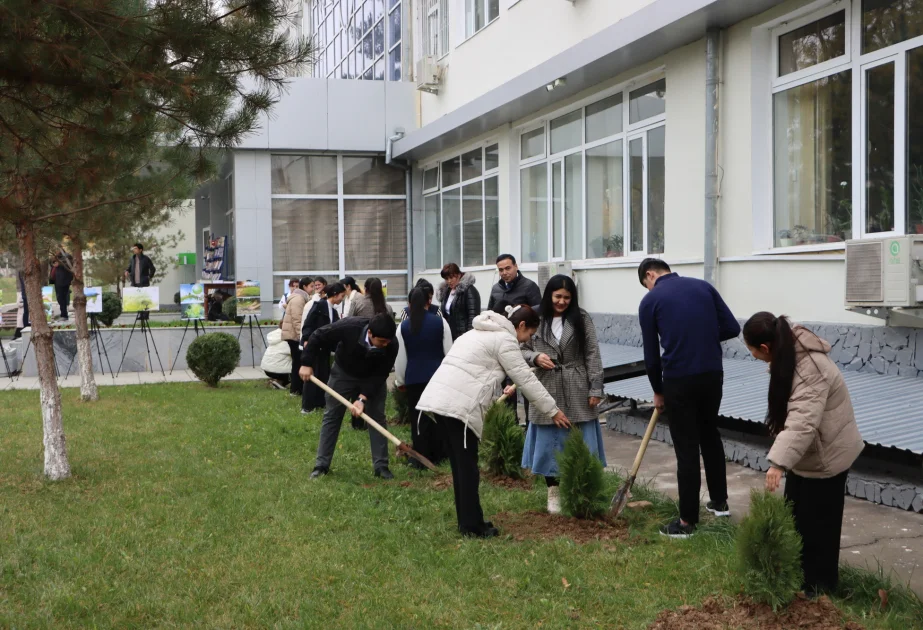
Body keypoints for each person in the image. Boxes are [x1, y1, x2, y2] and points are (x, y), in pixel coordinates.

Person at [416, 303, 567, 538]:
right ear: (522, 325)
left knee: (460, 466)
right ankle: (472, 527)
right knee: (468, 469)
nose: (526, 341)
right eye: (528, 335)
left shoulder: (476, 332)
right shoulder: (505, 340)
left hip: (439, 402)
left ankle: (469, 521)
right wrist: (553, 410)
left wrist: (499, 392)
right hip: (458, 407)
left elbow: (477, 372)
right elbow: (525, 379)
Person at [743, 313, 864, 596]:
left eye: (753, 353)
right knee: (798, 517)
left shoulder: (810, 369)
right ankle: (801, 578)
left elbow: (802, 421)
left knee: (820, 525)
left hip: (827, 454)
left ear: (765, 348)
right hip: (809, 454)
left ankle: (820, 589)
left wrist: (778, 464)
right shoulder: (788, 352)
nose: (755, 358)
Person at [638, 258, 741, 539]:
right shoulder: (703, 287)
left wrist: (657, 390)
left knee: (686, 446)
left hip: (679, 379)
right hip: (712, 374)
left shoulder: (651, 301)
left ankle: (686, 523)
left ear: (649, 276)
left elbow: (651, 357)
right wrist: (702, 337)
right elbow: (733, 328)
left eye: (646, 285)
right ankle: (719, 503)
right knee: (710, 434)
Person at [518, 275, 605, 514]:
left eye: (567, 297)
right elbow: (518, 347)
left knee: (581, 439)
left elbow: (592, 353)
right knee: (548, 442)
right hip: (545, 387)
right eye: (557, 296)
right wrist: (535, 357)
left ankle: (582, 490)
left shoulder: (581, 318)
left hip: (577, 384)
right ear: (549, 295)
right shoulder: (535, 317)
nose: (562, 301)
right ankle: (553, 491)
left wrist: (595, 388)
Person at [301, 314, 400, 480]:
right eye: (381, 342)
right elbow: (317, 335)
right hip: (343, 373)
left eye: (387, 342)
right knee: (332, 415)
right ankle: (321, 465)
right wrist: (306, 362)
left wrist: (362, 398)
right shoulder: (349, 327)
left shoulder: (391, 344)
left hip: (372, 377)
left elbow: (381, 375)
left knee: (376, 418)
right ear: (370, 333)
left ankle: (381, 466)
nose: (385, 345)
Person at [395, 287, 453, 468]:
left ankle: (420, 456)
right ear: (429, 301)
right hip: (437, 376)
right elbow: (449, 351)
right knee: (439, 417)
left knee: (418, 418)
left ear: (409, 304)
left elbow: (400, 356)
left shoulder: (403, 326)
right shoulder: (440, 323)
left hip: (414, 378)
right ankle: (441, 453)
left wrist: (400, 380)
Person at [300, 282, 347, 413]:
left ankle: (320, 403)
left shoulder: (333, 310)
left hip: (325, 348)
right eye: (341, 296)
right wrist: (306, 338)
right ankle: (307, 406)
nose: (342, 299)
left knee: (323, 375)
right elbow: (308, 323)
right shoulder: (320, 305)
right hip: (314, 346)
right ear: (335, 294)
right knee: (312, 375)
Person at [281, 277, 312, 396]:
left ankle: (296, 389)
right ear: (304, 287)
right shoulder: (298, 299)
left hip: (293, 334)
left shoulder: (299, 298)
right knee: (298, 362)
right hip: (294, 336)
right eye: (311, 286)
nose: (312, 289)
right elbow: (297, 320)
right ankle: (296, 389)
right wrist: (302, 337)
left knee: (297, 362)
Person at [437, 263, 480, 341]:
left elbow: (473, 317)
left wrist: (469, 338)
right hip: (450, 336)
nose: (449, 281)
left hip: (464, 336)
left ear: (459, 275)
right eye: (446, 279)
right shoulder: (446, 291)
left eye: (451, 277)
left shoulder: (469, 290)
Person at [49, 253, 74, 321]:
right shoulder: (55, 260)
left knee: (62, 298)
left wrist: (59, 263)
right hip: (57, 281)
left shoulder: (66, 258)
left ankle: (64, 315)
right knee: (59, 298)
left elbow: (70, 261)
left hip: (63, 282)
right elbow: (51, 263)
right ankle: (63, 314)